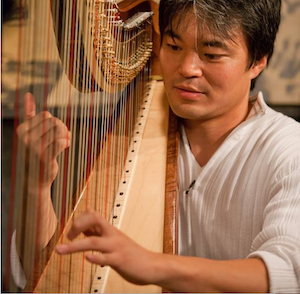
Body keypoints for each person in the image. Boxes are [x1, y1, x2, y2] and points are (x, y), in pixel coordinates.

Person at [12, 0, 300, 292]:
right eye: (174, 47)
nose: (187, 68)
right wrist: (34, 187)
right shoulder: (130, 132)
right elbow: (52, 276)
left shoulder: (288, 152)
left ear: (258, 60)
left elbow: (288, 274)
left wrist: (151, 264)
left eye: (211, 55)